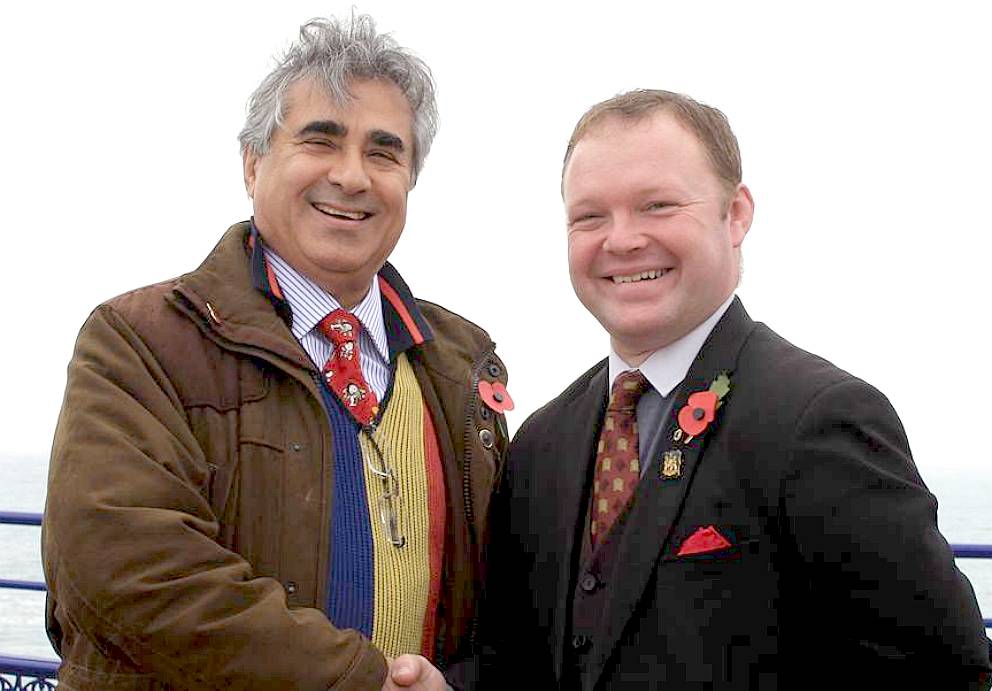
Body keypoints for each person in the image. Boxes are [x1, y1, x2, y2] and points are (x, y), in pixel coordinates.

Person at [41, 14, 509, 691]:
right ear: (253, 162)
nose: (351, 176)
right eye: (321, 140)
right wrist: (360, 680)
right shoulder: (138, 340)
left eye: (384, 152)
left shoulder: (462, 363)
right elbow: (123, 568)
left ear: (411, 178)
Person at [470, 90, 992, 689]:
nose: (621, 239)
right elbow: (514, 658)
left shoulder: (819, 419)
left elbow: (943, 670)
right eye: (589, 216)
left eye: (657, 205)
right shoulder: (541, 441)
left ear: (737, 213)